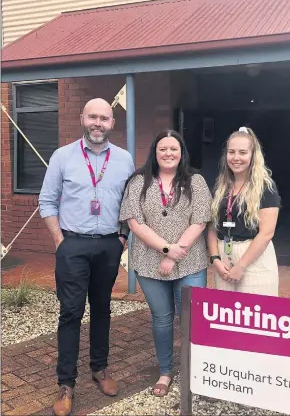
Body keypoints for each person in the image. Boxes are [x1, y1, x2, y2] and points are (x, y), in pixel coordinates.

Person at [39, 98, 134, 416]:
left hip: (109, 244)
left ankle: (100, 368)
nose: (98, 123)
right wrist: (59, 241)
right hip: (73, 245)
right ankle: (66, 383)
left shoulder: (124, 159)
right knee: (70, 313)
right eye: (92, 117)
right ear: (82, 118)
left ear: (112, 123)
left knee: (103, 308)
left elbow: (130, 205)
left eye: (104, 118)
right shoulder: (62, 156)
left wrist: (122, 238)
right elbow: (47, 200)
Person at [119, 130, 212, 397]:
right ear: (155, 152)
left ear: (181, 152)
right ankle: (166, 370)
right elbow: (134, 222)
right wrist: (165, 249)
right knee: (161, 319)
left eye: (174, 148)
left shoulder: (196, 181)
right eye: (163, 149)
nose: (168, 153)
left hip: (190, 262)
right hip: (150, 263)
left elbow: (200, 220)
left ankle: (196, 370)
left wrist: (174, 253)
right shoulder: (139, 181)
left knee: (191, 320)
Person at [208, 126, 281, 296]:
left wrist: (241, 266)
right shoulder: (221, 187)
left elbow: (266, 233)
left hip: (253, 260)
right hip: (224, 259)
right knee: (227, 318)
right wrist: (215, 259)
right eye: (231, 152)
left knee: (257, 316)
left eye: (242, 152)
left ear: (253, 155)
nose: (236, 158)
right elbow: (212, 226)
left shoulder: (265, 187)